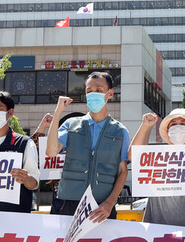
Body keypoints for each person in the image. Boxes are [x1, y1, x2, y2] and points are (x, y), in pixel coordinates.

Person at [46, 71, 130, 222]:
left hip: (102, 206)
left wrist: (109, 203)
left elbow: (123, 171)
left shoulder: (120, 131)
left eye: (99, 90)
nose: (93, 94)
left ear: (110, 94)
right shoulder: (71, 125)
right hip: (68, 202)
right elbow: (51, 151)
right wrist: (57, 112)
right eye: (89, 91)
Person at [130, 108, 185, 228]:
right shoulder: (157, 156)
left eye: (183, 124)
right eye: (174, 124)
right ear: (168, 131)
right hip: (157, 228)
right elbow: (133, 156)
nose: (178, 127)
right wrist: (146, 126)